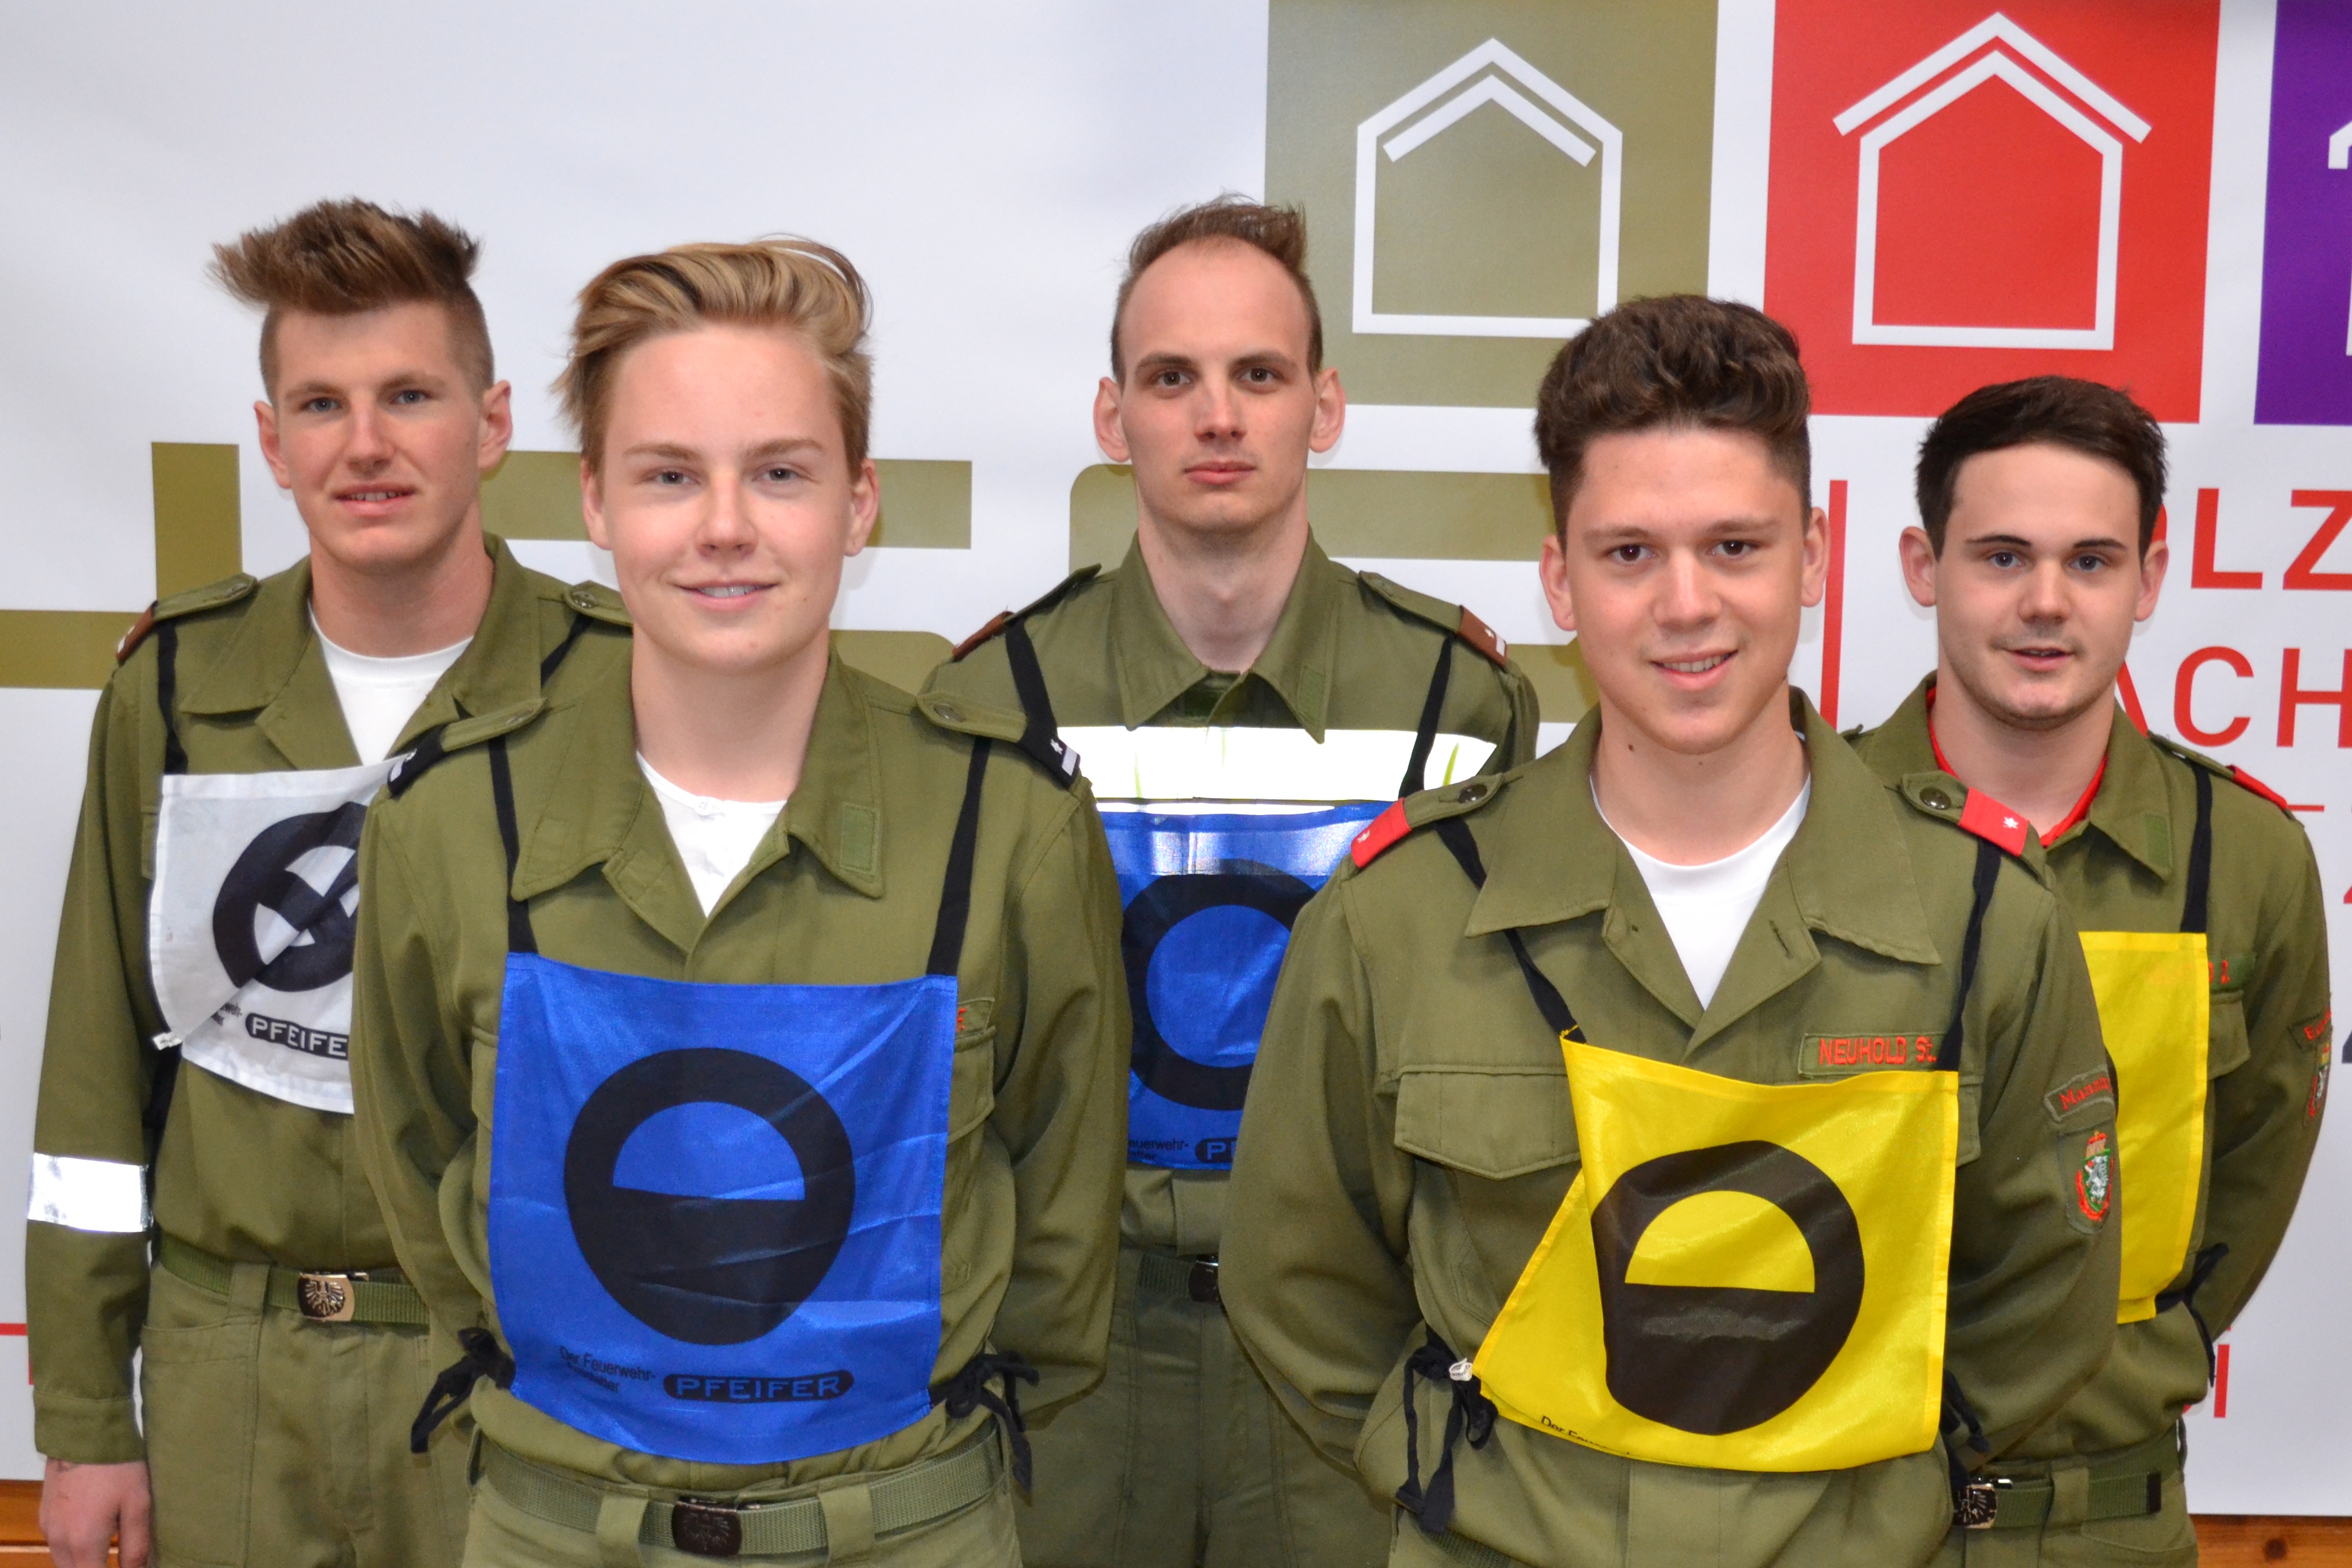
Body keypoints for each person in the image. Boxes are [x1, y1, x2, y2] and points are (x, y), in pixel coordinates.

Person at [1222, 296, 2124, 1568]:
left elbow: (2044, 1296)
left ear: (1812, 557)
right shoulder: (1402, 913)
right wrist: (1462, 1480)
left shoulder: (1983, 919)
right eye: (1630, 553)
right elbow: (1299, 1279)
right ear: (1560, 580)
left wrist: (1874, 1498)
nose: (1686, 604)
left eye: (1735, 546)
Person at [348, 237, 1128, 1566]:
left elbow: (1060, 1217)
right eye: (669, 475)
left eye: (779, 472)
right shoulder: (449, 823)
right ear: (595, 501)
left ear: (858, 503)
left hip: (909, 1529)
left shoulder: (1010, 827)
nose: (724, 526)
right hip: (553, 1527)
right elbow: (422, 1175)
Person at [925, 196, 1538, 1568]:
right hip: (1077, 1358)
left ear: (1324, 406)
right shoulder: (988, 701)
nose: (1217, 416)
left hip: (1339, 1350)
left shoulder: (1459, 697)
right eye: (1171, 378)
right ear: (1111, 416)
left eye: (1258, 374)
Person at [25, 199, 628, 1568]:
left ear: (490, 423)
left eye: (408, 395)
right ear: (271, 441)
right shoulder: (177, 688)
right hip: (226, 1378)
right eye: (321, 404)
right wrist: (85, 1418)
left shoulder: (613, 684)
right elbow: (92, 1077)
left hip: (519, 1373)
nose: (365, 444)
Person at [1851, 376, 2333, 1566]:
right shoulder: (1805, 832)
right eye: (2002, 556)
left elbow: (2249, 1188)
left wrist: (2124, 1368)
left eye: (2092, 561)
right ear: (1923, 565)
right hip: (1830, 1517)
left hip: (2111, 1524)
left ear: (2150, 579)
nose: (2047, 602)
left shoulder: (2245, 860)